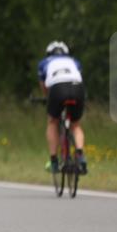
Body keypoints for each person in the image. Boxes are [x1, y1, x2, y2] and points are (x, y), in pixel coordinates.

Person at [38, 41, 86, 174]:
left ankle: (53, 160)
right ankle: (80, 155)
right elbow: (79, 77)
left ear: (49, 53)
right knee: (76, 124)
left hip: (57, 89)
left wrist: (48, 99)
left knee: (52, 121)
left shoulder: (44, 63)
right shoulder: (74, 61)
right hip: (77, 87)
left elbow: (44, 86)